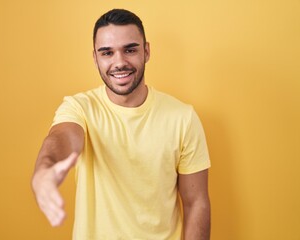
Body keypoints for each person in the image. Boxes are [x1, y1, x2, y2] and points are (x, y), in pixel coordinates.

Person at [32, 9, 211, 240]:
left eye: (130, 49)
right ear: (95, 58)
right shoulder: (79, 108)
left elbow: (196, 202)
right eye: (107, 53)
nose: (120, 62)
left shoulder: (183, 118)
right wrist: (43, 171)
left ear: (146, 51)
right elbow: (63, 138)